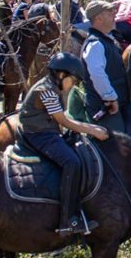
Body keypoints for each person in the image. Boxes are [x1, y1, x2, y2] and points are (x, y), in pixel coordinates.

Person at [17, 52, 109, 236]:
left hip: (47, 130)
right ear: (61, 75)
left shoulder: (51, 87)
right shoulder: (47, 91)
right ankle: (67, 219)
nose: (73, 85)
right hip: (38, 134)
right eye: (73, 80)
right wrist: (92, 130)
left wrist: (90, 126)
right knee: (71, 162)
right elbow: (62, 120)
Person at [81, 0, 131, 137]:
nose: (114, 14)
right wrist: (110, 98)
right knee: (118, 146)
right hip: (107, 106)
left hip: (120, 102)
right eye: (109, 12)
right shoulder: (95, 44)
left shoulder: (108, 40)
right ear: (98, 18)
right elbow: (97, 74)